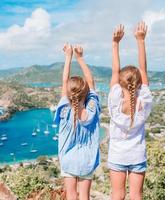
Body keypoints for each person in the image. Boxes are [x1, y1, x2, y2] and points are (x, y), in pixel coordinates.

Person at [108, 22, 153, 200]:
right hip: (137, 155)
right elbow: (143, 70)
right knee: (136, 195)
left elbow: (114, 71)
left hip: (117, 155)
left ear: (119, 84)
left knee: (117, 195)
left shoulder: (114, 101)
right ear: (140, 84)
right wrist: (141, 40)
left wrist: (115, 43)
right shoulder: (145, 101)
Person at [53, 43, 101, 200]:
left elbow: (64, 80)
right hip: (87, 159)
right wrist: (80, 58)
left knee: (71, 195)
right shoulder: (92, 111)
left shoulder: (64, 109)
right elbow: (91, 82)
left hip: (68, 159)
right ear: (86, 93)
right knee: (84, 196)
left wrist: (68, 57)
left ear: (68, 93)